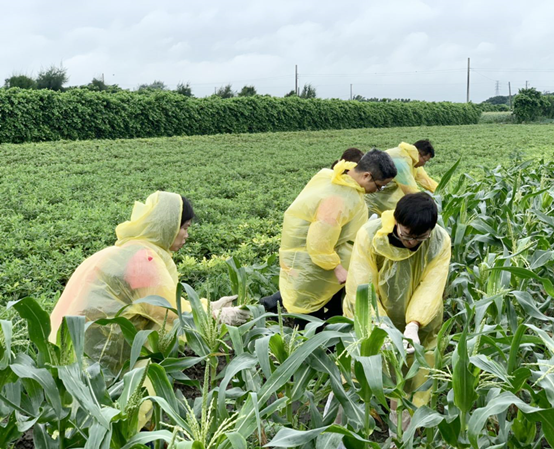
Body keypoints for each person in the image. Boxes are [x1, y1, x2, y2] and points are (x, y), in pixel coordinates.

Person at [50, 191, 250, 376]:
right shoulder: (144, 259)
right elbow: (169, 312)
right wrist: (218, 316)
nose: (187, 235)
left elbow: (164, 301)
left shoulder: (131, 250)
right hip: (92, 359)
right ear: (168, 227)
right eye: (184, 228)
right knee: (144, 383)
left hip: (70, 346)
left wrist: (208, 306)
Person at [343, 192, 451, 414]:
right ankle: (349, 423)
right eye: (407, 235)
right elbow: (362, 286)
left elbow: (431, 285)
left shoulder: (440, 241)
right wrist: (379, 323)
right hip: (371, 316)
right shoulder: (370, 235)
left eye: (420, 238)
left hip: (420, 320)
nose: (412, 243)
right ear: (397, 222)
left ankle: (403, 433)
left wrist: (413, 324)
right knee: (360, 370)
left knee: (411, 377)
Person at [277, 149, 397, 326]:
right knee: (310, 318)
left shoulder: (335, 177)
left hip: (320, 263)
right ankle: (310, 347)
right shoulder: (339, 198)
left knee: (331, 308)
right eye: (379, 186)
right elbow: (319, 241)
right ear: (366, 176)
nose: (378, 191)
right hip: (313, 265)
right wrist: (337, 268)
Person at [365, 140, 439, 216]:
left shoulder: (413, 161)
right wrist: (428, 202)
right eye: (424, 160)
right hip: (372, 203)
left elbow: (426, 180)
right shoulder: (401, 160)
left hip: (384, 201)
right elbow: (410, 190)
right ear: (419, 154)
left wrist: (442, 194)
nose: (424, 164)